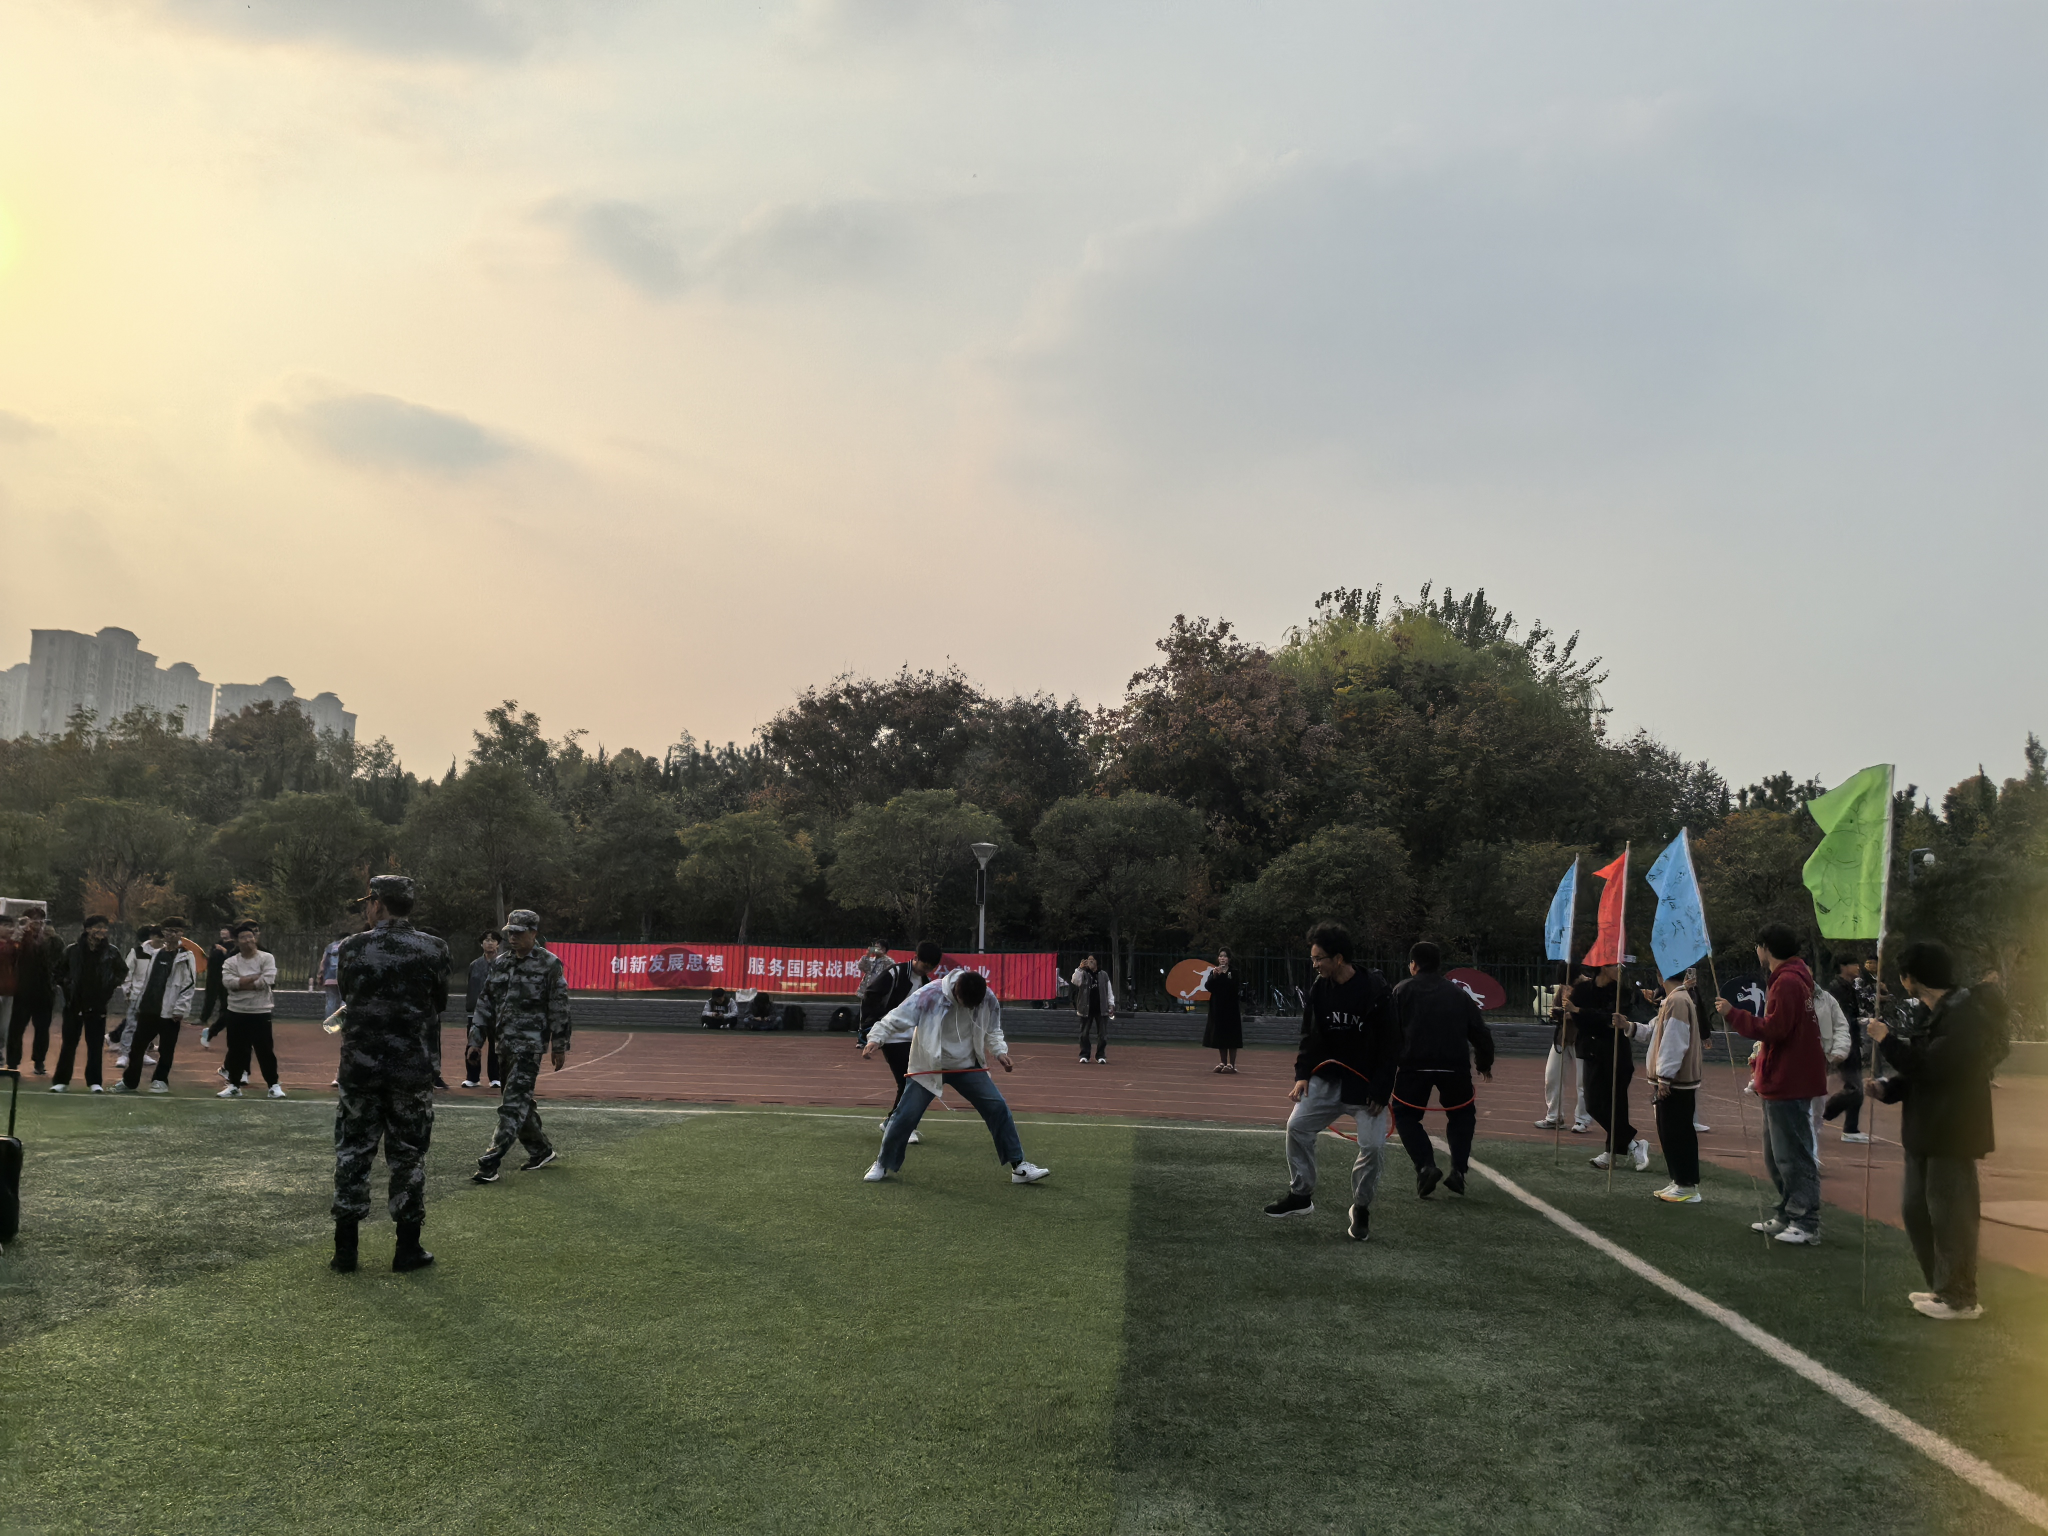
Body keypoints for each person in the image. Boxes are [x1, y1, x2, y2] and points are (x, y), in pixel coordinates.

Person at [1865, 941, 2006, 1321]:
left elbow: (1933, 1067)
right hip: (1925, 1128)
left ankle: (1960, 1297)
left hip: (1952, 1131)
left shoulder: (1964, 1015)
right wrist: (1887, 1088)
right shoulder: (1931, 1013)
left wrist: (1886, 1040)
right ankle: (1941, 1287)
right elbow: (1920, 1071)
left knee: (1951, 1216)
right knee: (1916, 1210)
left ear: (1911, 978)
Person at [331, 875, 449, 1273]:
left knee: (352, 1154)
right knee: (408, 1157)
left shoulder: (352, 946)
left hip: (360, 1070)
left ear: (378, 904)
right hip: (411, 1069)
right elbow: (438, 1002)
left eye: (369, 902)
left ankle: (345, 1251)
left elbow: (348, 996)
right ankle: (407, 1249)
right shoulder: (434, 948)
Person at [1263, 924, 1398, 1241]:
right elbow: (1310, 1036)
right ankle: (1301, 1195)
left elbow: (1391, 1045)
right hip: (1327, 1079)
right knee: (1297, 1126)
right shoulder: (1319, 990)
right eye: (1312, 958)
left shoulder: (1375, 991)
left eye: (1319, 958)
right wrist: (1302, 1075)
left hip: (1365, 1086)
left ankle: (1360, 1208)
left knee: (1373, 1147)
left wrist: (1381, 1089)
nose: (1315, 964)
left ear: (1338, 958)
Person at [859, 967, 1049, 1185]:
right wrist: (876, 1038)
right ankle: (882, 1163)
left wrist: (999, 1052)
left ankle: (1019, 1167)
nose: (972, 1008)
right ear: (957, 993)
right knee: (905, 1116)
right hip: (929, 1065)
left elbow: (993, 1029)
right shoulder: (930, 994)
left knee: (997, 1107)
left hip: (967, 1065)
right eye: (967, 1004)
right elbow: (896, 1017)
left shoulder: (987, 997)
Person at [1717, 922, 1826, 1246]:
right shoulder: (1791, 979)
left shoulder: (1788, 982)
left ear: (1765, 948)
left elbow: (1775, 1029)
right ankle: (1788, 1213)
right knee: (1777, 1156)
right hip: (1782, 1079)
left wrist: (1734, 1014)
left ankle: (1805, 1221)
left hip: (1789, 1080)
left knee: (1792, 1155)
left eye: (1758, 946)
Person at [469, 908, 571, 1184]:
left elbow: (559, 1006)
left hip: (529, 1046)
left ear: (533, 933)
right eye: (509, 933)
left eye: (518, 932)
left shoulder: (549, 964)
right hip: (504, 1043)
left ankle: (490, 1162)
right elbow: (485, 1001)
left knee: (512, 1104)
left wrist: (559, 1045)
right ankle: (541, 1150)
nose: (512, 937)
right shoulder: (500, 963)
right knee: (518, 1100)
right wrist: (476, 1039)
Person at [1389, 941, 1494, 1197]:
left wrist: (1386, 1063)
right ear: (1438, 965)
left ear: (1413, 964)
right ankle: (1458, 1171)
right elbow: (1480, 1032)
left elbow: (1388, 1031)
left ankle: (1425, 1165)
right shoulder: (1458, 994)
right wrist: (1484, 1063)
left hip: (1414, 1065)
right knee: (1461, 1115)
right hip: (1454, 1066)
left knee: (1405, 1115)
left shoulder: (1402, 990)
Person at [859, 940, 941, 1141]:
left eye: (931, 968)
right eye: (924, 966)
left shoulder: (926, 983)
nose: (926, 971)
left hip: (912, 1037)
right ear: (916, 958)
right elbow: (870, 995)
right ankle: (899, 1125)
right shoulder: (895, 973)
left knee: (915, 1081)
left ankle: (894, 1123)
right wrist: (873, 1025)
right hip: (891, 1035)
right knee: (908, 1080)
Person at [1634, 969, 1705, 1203]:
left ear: (1660, 976)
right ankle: (1679, 1180)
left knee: (1677, 1131)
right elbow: (1656, 1032)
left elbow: (1675, 1040)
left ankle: (1686, 1184)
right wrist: (1629, 1027)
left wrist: (1665, 1076)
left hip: (1677, 1081)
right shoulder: (1674, 1000)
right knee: (1669, 1131)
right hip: (1675, 1080)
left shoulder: (1677, 1001)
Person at [1572, 962, 1650, 1173]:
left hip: (1616, 1053)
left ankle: (1611, 1153)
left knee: (1616, 1105)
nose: (1619, 969)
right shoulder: (1582, 990)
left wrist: (1580, 1011)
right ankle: (1633, 1143)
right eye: (1614, 965)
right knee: (1593, 1104)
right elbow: (1579, 1019)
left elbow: (1611, 1019)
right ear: (1603, 966)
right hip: (1591, 1052)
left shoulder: (1621, 992)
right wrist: (1569, 1012)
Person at [114, 916, 198, 1093]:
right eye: (168, 930)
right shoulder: (156, 953)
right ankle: (129, 1082)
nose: (171, 934)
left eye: (176, 931)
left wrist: (180, 1009)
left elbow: (189, 984)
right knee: (137, 1048)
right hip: (148, 1009)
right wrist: (138, 1002)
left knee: (166, 1049)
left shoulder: (186, 956)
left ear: (182, 933)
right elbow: (147, 981)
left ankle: (160, 1080)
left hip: (170, 1012)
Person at [51, 915, 128, 1093]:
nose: (102, 931)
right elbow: (58, 971)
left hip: (98, 1004)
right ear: (87, 929)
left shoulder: (112, 952)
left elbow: (122, 971)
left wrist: (109, 985)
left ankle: (94, 1082)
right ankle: (61, 1081)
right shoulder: (72, 950)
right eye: (98, 927)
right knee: (69, 1044)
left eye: (104, 927)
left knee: (95, 1045)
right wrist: (68, 985)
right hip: (74, 1004)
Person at [216, 921, 284, 1099]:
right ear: (236, 942)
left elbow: (267, 980)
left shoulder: (266, 958)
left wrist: (241, 983)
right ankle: (234, 1085)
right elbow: (229, 983)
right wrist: (252, 979)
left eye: (250, 936)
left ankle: (273, 1086)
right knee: (236, 1050)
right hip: (236, 1011)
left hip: (260, 1011)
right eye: (243, 938)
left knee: (265, 1050)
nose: (247, 940)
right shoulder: (231, 962)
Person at [6, 905, 66, 1076]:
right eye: (33, 918)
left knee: (42, 1028)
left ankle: (39, 1061)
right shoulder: (21, 938)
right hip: (22, 990)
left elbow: (59, 960)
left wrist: (53, 938)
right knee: (17, 1028)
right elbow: (10, 953)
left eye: (40, 919)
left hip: (44, 990)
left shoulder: (51, 940)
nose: (37, 922)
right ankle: (12, 1061)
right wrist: (21, 932)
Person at [1822, 952, 1870, 1144]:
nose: (1858, 967)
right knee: (1855, 1088)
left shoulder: (1850, 987)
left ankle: (1851, 1128)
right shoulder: (1837, 989)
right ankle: (1824, 1112)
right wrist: (1858, 1022)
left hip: (1853, 1040)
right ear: (1843, 966)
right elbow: (1840, 1018)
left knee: (1855, 1086)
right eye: (1853, 964)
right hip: (1844, 1041)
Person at [1536, 964, 1591, 1133]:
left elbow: (1592, 1013)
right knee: (1552, 1076)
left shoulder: (1590, 986)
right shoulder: (1563, 986)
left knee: (1582, 1082)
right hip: (1562, 1037)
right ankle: (1554, 1117)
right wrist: (1556, 1013)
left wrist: (1572, 1015)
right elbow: (1557, 1005)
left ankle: (1582, 1120)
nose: (1567, 985)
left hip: (1582, 1039)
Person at [110, 924, 159, 1069]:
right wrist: (128, 991)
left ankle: (142, 1053)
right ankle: (124, 1054)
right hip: (137, 995)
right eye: (159, 937)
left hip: (156, 997)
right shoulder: (137, 952)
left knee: (148, 1027)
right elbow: (127, 972)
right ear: (152, 937)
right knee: (131, 1025)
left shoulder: (166, 954)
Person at [462, 929, 506, 1089]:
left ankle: (495, 1077)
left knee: (496, 1046)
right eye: (486, 940)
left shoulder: (503, 964)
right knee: (473, 1044)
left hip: (497, 1011)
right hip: (476, 1011)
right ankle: (472, 1077)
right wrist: (471, 1006)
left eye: (493, 940)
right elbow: (471, 987)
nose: (489, 943)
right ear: (481, 944)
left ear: (498, 944)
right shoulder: (474, 965)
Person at [1200, 949, 1243, 1072]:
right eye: (1220, 956)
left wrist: (1223, 975)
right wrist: (1214, 976)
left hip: (1231, 1008)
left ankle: (1231, 1064)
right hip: (1218, 1008)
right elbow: (1208, 987)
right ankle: (1223, 1062)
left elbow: (1234, 987)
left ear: (1229, 959)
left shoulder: (1234, 972)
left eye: (1225, 956)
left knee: (1231, 1035)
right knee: (1220, 1034)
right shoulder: (1215, 971)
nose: (1222, 958)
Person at [1071, 954, 1115, 1064]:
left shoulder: (1103, 975)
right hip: (1086, 1008)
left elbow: (1109, 990)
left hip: (1101, 1008)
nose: (1090, 962)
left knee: (1102, 1035)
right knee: (1084, 1033)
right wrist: (1080, 968)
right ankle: (1085, 1055)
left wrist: (1111, 1004)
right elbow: (1075, 981)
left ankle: (1100, 1055)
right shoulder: (1083, 973)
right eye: (1088, 960)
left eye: (1092, 960)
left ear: (1096, 962)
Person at [198, 925, 234, 1048]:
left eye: (225, 930)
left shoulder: (233, 946)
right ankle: (205, 1020)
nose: (223, 932)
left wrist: (224, 951)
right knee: (210, 998)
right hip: (213, 975)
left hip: (225, 976)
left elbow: (231, 959)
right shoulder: (216, 944)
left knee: (225, 1003)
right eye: (222, 930)